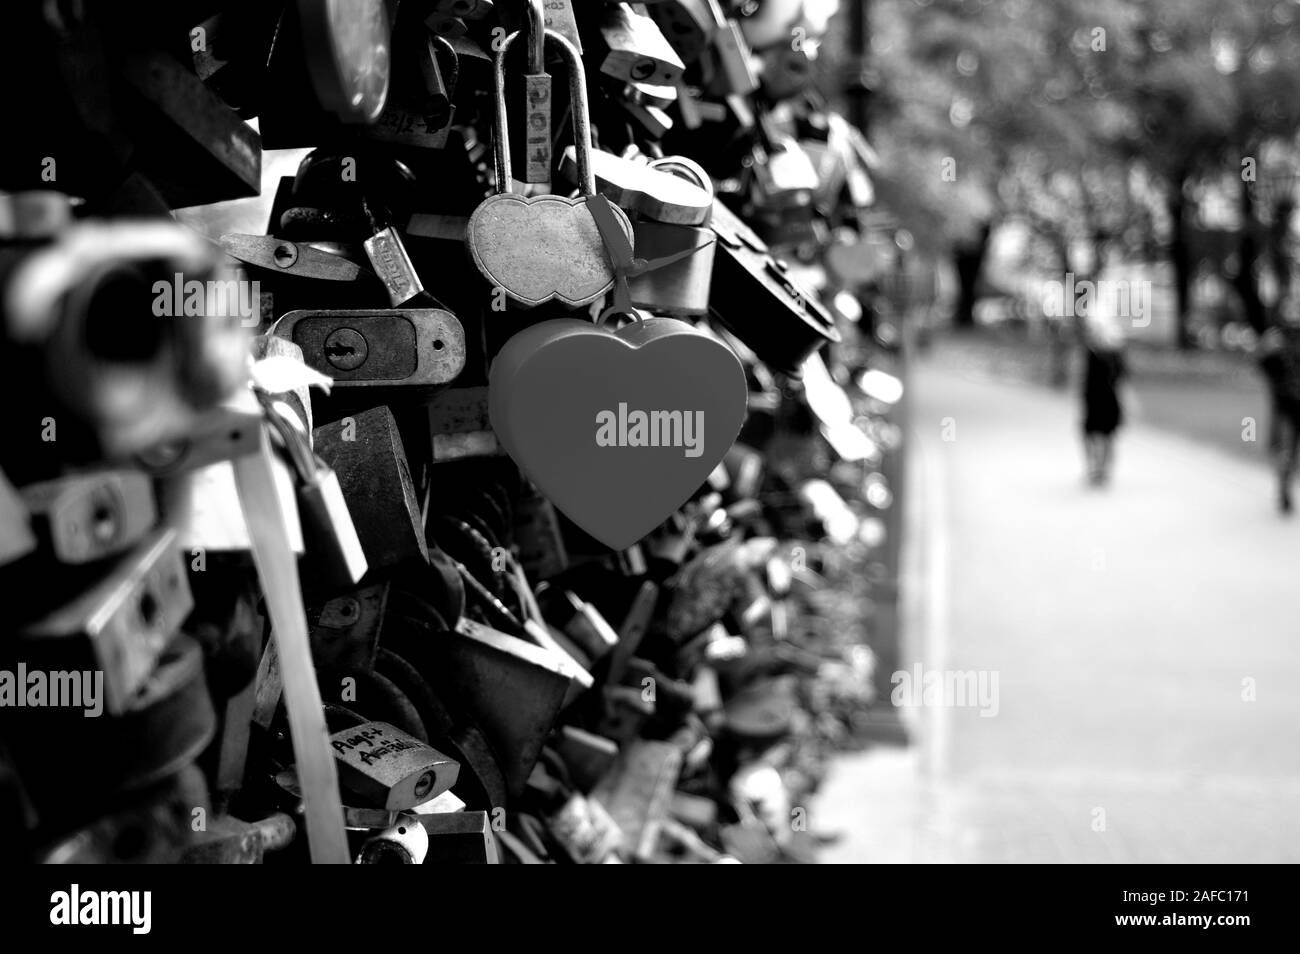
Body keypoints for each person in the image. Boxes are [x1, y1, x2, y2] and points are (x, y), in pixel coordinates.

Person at [1257, 291, 1300, 514]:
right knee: (1285, 449)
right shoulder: (1274, 341)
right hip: (1285, 405)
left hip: (1285, 404)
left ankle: (1284, 484)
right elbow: (1263, 365)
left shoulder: (1274, 340)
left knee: (1284, 449)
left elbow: (1261, 365)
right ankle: (1284, 485)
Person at [1079, 311, 1127, 486]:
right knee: (1099, 436)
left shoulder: (1104, 355)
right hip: (1098, 401)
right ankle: (1098, 468)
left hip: (1102, 401)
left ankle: (1100, 468)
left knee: (1101, 436)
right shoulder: (1101, 354)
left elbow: (1120, 380)